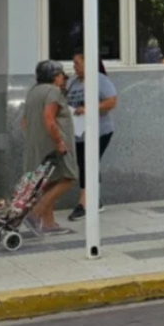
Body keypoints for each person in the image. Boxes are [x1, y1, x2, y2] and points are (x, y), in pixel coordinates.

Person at [22, 61, 79, 237]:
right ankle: (35, 214)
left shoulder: (33, 92)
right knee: (69, 177)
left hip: (36, 145)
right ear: (55, 76)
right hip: (54, 146)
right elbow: (49, 119)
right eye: (62, 75)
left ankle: (49, 224)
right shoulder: (52, 92)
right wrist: (59, 142)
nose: (64, 78)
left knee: (48, 183)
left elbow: (24, 123)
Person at [66, 53, 118, 223]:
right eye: (73, 63)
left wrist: (89, 108)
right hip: (80, 132)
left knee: (89, 163)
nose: (74, 67)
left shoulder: (99, 79)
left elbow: (111, 102)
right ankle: (95, 200)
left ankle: (85, 204)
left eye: (77, 63)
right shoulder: (73, 81)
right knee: (85, 164)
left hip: (99, 131)